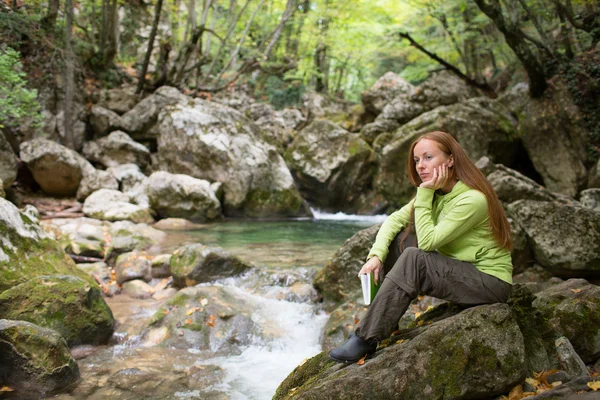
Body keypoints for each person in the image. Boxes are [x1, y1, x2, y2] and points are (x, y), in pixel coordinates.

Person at [329, 131, 513, 363]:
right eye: (417, 160)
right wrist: (375, 255)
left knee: (415, 256)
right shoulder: (437, 193)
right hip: (463, 270)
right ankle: (387, 320)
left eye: (428, 157)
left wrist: (424, 193)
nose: (420, 166)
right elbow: (395, 220)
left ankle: (366, 338)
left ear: (450, 160)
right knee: (400, 242)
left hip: (489, 283)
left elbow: (427, 243)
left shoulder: (472, 199)